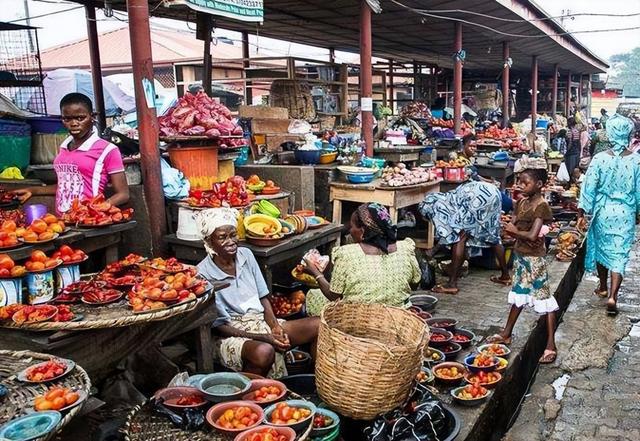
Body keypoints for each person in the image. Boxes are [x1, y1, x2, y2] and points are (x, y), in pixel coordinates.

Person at [195, 208, 319, 378]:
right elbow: (221, 327)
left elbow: (263, 298)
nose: (231, 241)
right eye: (222, 237)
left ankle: (316, 383)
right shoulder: (202, 273)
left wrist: (274, 326)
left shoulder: (246, 255)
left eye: (233, 235)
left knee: (319, 325)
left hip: (260, 321)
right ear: (209, 241)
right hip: (230, 333)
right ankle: (248, 394)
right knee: (264, 351)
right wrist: (264, 337)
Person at [11, 93, 129, 214]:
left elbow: (123, 194)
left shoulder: (108, 150)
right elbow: (65, 186)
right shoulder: (64, 147)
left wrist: (97, 208)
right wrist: (33, 190)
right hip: (64, 221)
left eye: (80, 118)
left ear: (92, 117)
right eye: (67, 119)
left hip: (89, 221)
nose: (73, 124)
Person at [488, 164, 558, 364]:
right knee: (519, 293)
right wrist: (516, 232)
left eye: (525, 183)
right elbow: (516, 227)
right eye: (519, 182)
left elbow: (530, 234)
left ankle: (551, 344)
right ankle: (506, 332)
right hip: (521, 255)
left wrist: (515, 231)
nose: (520, 186)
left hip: (535, 259)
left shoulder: (541, 205)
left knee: (545, 300)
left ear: (539, 184)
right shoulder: (521, 202)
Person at [303, 203, 421, 316]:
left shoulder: (347, 254)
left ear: (363, 231)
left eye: (352, 226)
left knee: (313, 295)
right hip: (398, 315)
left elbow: (333, 295)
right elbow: (415, 283)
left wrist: (316, 273)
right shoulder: (405, 248)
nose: (350, 230)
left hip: (359, 318)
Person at [578, 113, 640, 315]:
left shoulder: (599, 159)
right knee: (619, 255)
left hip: (603, 211)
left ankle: (603, 286)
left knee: (601, 249)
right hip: (625, 213)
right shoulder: (637, 161)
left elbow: (588, 187)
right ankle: (613, 295)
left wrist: (581, 212)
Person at [418, 181, 511, 294]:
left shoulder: (437, 206)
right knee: (493, 236)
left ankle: (452, 284)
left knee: (460, 237)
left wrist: (433, 251)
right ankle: (505, 276)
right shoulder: (447, 198)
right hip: (492, 192)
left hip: (476, 197)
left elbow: (451, 235)